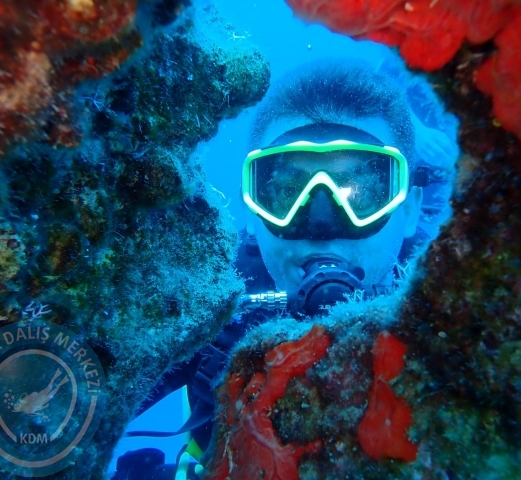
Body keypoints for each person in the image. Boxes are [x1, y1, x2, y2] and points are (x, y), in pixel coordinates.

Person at [112, 61, 455, 479]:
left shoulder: (446, 304)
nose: (322, 225)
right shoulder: (209, 304)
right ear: (251, 211)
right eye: (288, 190)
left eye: (360, 191)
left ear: (410, 210)